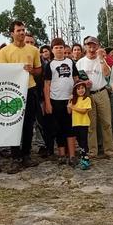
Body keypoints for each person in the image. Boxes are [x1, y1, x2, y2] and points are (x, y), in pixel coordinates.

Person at [0, 21, 42, 171]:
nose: (22, 33)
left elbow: (39, 70)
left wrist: (32, 70)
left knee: (29, 124)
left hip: (30, 89)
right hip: (12, 92)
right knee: (14, 124)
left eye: (23, 30)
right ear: (12, 33)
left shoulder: (34, 50)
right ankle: (15, 157)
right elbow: (3, 72)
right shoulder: (4, 52)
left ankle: (26, 155)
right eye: (19, 30)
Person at [76, 36, 113, 158]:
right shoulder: (80, 62)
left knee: (106, 123)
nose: (91, 48)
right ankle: (93, 151)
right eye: (89, 45)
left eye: (94, 46)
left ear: (98, 47)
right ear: (85, 47)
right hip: (87, 95)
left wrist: (102, 59)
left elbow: (107, 74)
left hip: (101, 92)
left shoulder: (101, 59)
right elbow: (76, 80)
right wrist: (83, 84)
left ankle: (109, 151)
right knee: (91, 125)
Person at [43, 37, 79, 165]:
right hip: (55, 100)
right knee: (59, 129)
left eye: (61, 47)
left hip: (69, 100)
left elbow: (76, 80)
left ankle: (72, 155)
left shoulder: (70, 62)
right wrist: (48, 103)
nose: (59, 50)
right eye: (56, 47)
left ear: (64, 49)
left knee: (70, 128)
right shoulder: (50, 65)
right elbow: (46, 85)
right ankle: (62, 155)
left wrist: (75, 98)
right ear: (52, 50)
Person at [68, 82, 92, 169]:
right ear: (75, 91)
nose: (81, 90)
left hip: (83, 123)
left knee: (83, 141)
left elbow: (84, 111)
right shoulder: (73, 100)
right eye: (78, 89)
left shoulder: (87, 99)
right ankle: (83, 157)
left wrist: (73, 107)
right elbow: (69, 111)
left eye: (82, 88)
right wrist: (69, 101)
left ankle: (86, 159)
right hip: (76, 123)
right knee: (79, 142)